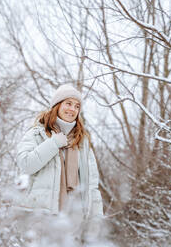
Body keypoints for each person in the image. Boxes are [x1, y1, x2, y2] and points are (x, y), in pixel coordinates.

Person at [16, 84, 104, 243]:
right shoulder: (37, 133)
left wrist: (96, 219)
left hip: (73, 221)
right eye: (68, 103)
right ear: (57, 106)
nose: (72, 109)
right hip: (41, 218)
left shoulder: (82, 142)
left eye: (77, 106)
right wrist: (53, 143)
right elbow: (26, 164)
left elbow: (92, 185)